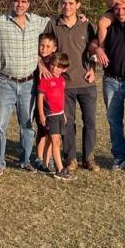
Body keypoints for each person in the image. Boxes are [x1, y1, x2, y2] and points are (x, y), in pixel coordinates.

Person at [0, 0, 50, 175]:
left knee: (27, 124)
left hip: (28, 83)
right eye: (16, 1)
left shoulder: (38, 22)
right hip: (5, 82)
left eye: (24, 1)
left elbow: (59, 22)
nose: (20, 5)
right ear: (11, 2)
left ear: (29, 4)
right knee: (0, 125)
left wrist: (82, 19)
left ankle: (25, 161)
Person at [44, 0, 98, 172]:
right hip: (64, 85)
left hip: (86, 83)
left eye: (71, 3)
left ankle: (89, 158)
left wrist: (93, 68)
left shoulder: (86, 25)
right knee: (68, 123)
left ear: (78, 5)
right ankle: (71, 158)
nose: (67, 7)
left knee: (90, 122)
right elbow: (44, 49)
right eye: (64, 3)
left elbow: (94, 50)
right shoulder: (53, 24)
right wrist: (46, 69)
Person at [93, 1, 125, 170]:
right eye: (117, 9)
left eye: (124, 9)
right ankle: (120, 156)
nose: (121, 12)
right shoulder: (108, 27)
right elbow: (91, 43)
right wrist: (98, 49)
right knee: (114, 120)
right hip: (111, 80)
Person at [37, 53, 74, 181]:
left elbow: (61, 97)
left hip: (59, 115)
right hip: (50, 116)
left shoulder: (61, 80)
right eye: (52, 65)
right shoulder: (45, 79)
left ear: (64, 69)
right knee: (56, 141)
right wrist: (41, 114)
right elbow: (40, 97)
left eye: (58, 67)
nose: (54, 68)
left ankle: (44, 165)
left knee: (51, 141)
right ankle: (60, 169)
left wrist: (63, 113)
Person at [33, 33, 59, 172]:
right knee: (42, 130)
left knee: (51, 132)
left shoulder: (53, 63)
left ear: (54, 48)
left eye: (48, 46)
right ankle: (39, 157)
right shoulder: (35, 59)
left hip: (51, 102)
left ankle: (48, 158)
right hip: (39, 99)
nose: (44, 49)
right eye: (41, 45)